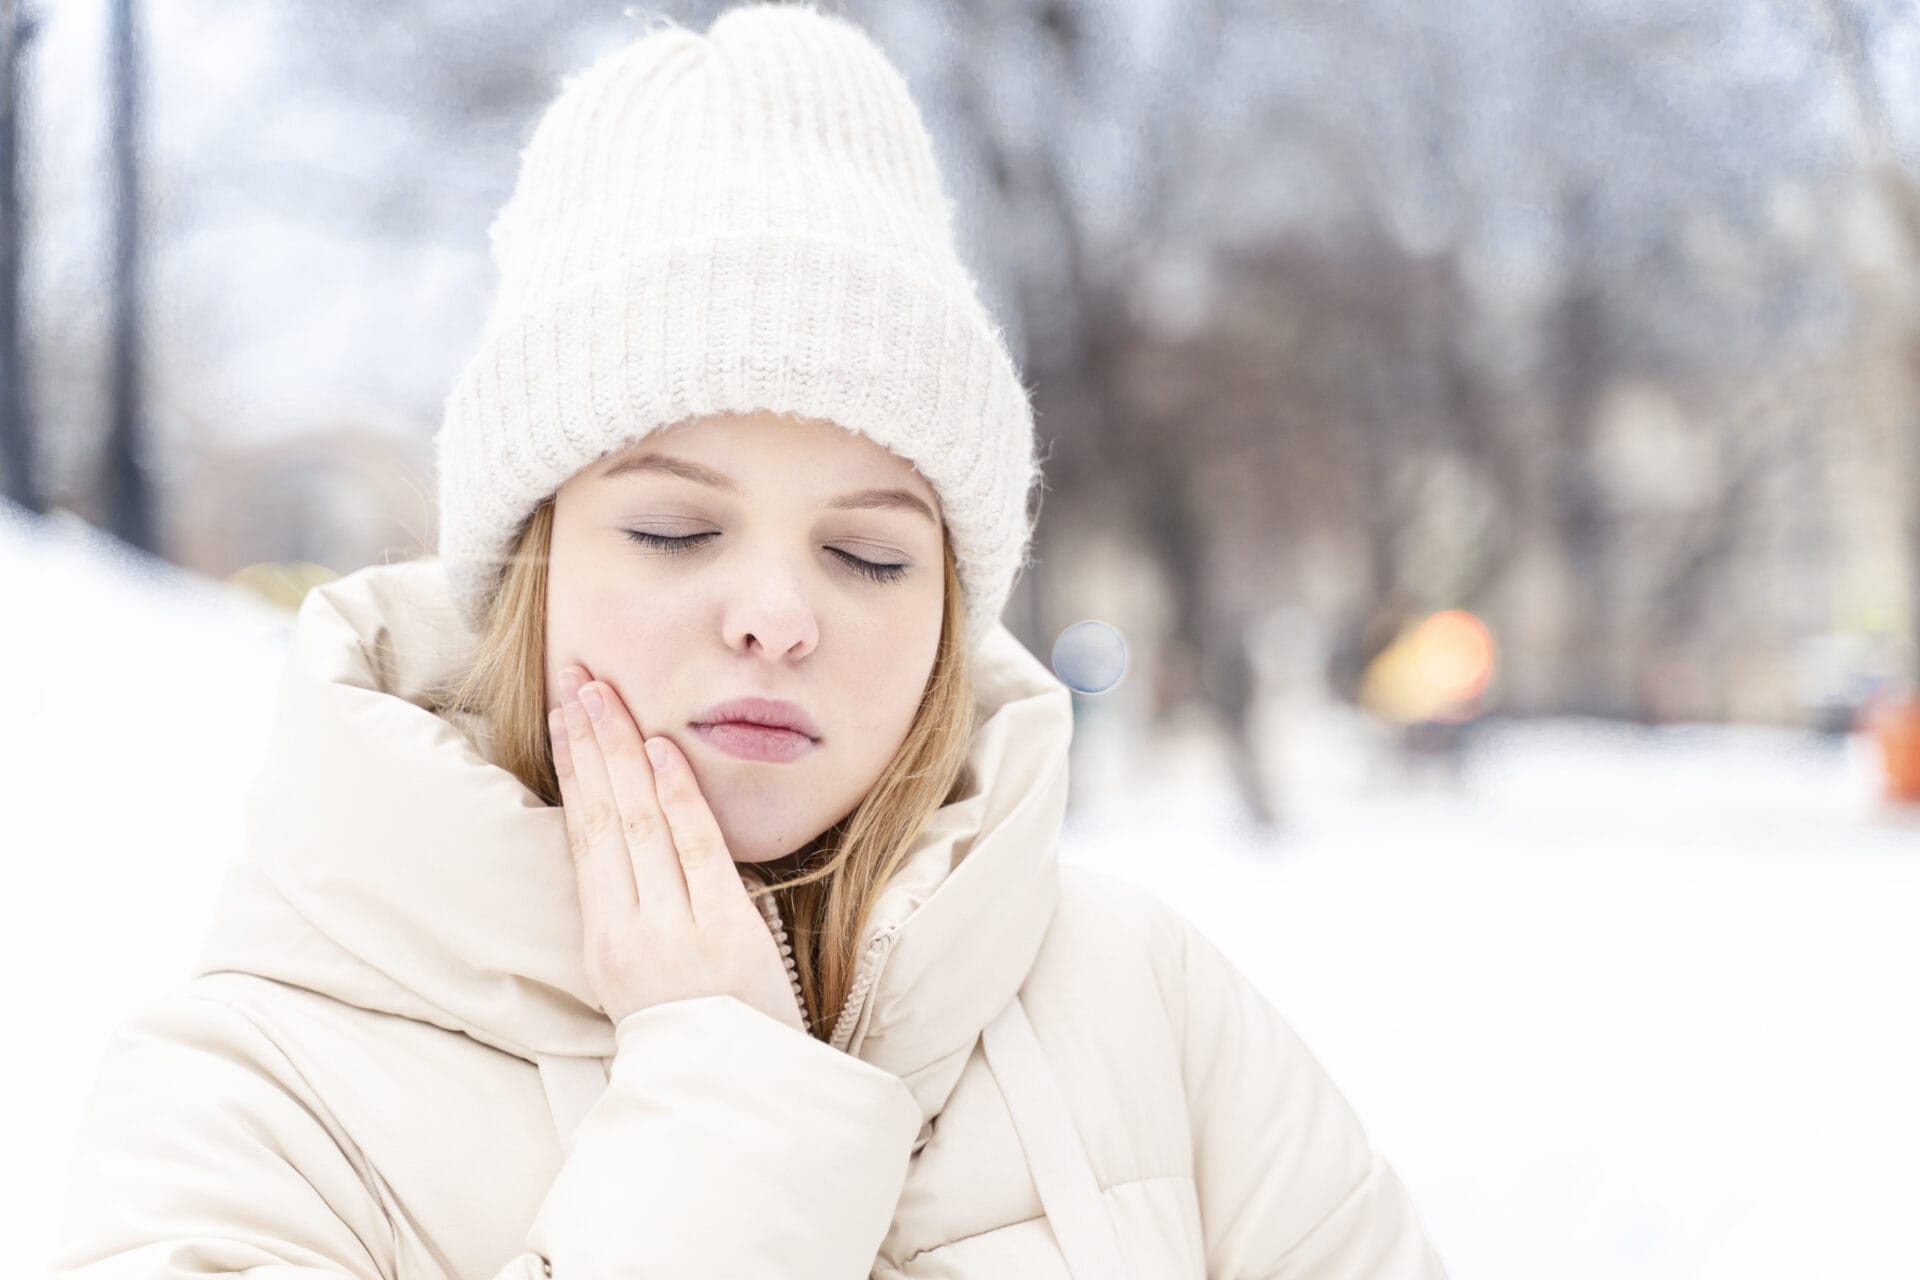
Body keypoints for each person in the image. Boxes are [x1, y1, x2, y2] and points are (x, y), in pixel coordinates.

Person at [48, 4, 1449, 1277]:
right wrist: (721, 1118)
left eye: (870, 553)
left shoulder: (1151, 1010)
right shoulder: (251, 1103)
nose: (779, 614)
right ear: (526, 561)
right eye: (673, 530)